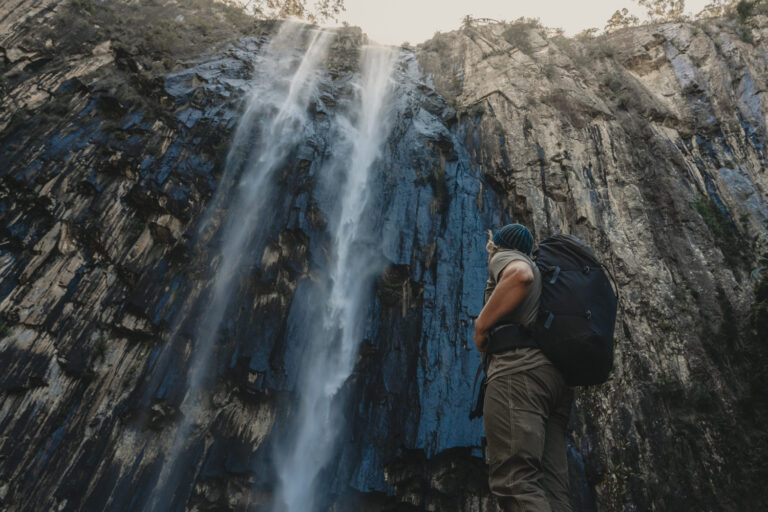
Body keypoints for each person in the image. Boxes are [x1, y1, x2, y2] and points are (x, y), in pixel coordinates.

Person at [474, 223, 574, 512]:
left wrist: (481, 326)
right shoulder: (548, 279)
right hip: (554, 382)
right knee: (552, 490)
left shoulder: (505, 256)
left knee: (515, 482)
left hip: (518, 376)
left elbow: (521, 275)